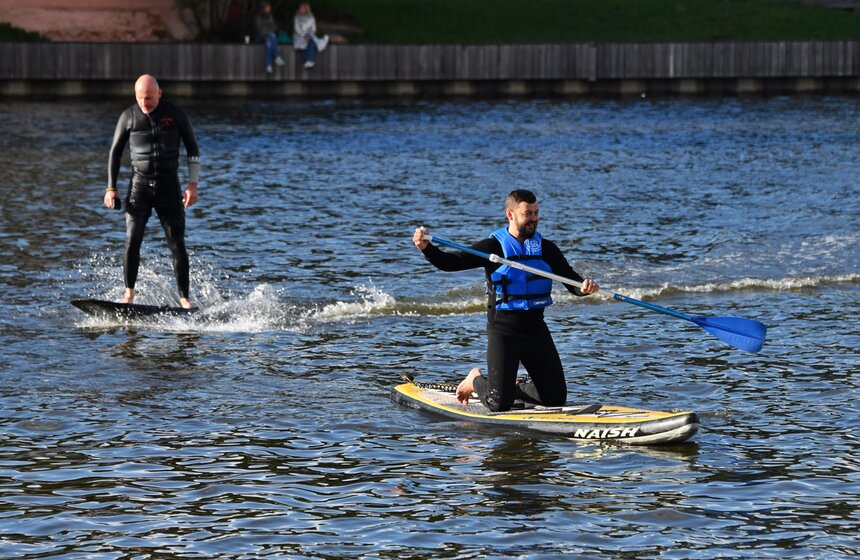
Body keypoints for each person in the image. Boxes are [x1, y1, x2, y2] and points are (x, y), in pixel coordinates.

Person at [412, 189, 600, 412]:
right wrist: (426, 248)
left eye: (536, 213)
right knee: (498, 403)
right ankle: (474, 380)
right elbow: (451, 263)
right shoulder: (492, 248)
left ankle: (512, 388)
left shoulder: (546, 249)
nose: (533, 219)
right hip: (504, 331)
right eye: (527, 214)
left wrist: (584, 288)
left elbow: (571, 281)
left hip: (536, 331)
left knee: (554, 397)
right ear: (510, 214)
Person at [104, 74, 200, 309]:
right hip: (139, 187)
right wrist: (111, 188)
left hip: (169, 187)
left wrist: (192, 184)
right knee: (132, 239)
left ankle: (185, 300)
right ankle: (129, 294)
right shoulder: (128, 116)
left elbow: (193, 149)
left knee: (176, 242)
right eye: (140, 98)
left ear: (160, 93)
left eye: (149, 98)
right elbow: (115, 153)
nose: (144, 103)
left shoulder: (175, 114)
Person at [293, 3, 329, 69]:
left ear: (306, 9)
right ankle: (321, 42)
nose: (300, 9)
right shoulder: (297, 17)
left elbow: (314, 29)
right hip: (299, 36)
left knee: (311, 41)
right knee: (307, 43)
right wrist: (304, 35)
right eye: (300, 8)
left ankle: (309, 61)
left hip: (309, 35)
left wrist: (308, 35)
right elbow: (297, 29)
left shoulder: (311, 17)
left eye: (302, 8)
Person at [255, 1, 285, 74]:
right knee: (272, 35)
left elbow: (274, 27)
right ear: (263, 8)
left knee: (269, 42)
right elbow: (259, 29)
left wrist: (269, 32)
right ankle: (276, 56)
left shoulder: (270, 16)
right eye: (268, 7)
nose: (270, 9)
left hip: (269, 36)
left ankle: (269, 65)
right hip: (261, 36)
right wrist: (267, 33)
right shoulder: (258, 17)